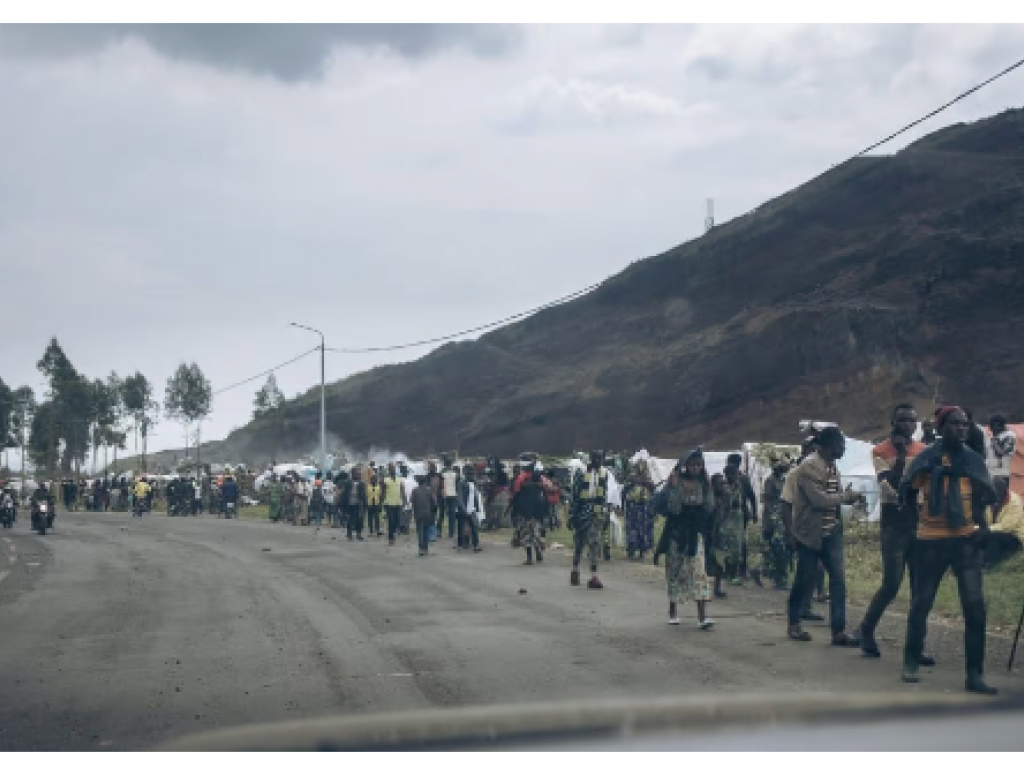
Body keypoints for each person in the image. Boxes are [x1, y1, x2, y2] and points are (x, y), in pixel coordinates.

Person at [899, 406, 997, 694]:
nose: (961, 429)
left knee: (975, 608)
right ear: (941, 428)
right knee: (921, 603)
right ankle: (911, 661)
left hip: (965, 539)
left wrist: (984, 527)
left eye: (964, 424)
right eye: (955, 424)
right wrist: (913, 528)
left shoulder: (973, 460)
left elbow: (982, 496)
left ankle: (974, 675)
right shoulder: (925, 458)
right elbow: (907, 492)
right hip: (930, 541)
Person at [858, 404, 933, 663]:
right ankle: (866, 629)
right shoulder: (880, 451)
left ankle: (916, 647)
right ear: (893, 422)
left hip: (919, 523)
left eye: (912, 420)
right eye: (903, 420)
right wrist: (901, 455)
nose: (908, 425)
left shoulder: (923, 450)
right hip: (894, 524)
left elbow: (926, 486)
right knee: (891, 584)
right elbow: (890, 485)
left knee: (919, 588)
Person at [786, 426, 861, 647]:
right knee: (803, 579)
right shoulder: (808, 467)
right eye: (841, 444)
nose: (843, 448)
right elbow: (818, 500)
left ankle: (839, 631)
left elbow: (831, 498)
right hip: (810, 534)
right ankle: (794, 623)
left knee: (838, 581)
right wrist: (846, 497)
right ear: (828, 446)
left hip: (831, 531)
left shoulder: (832, 466)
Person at [652, 448, 715, 629]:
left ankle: (702, 617)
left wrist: (709, 488)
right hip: (677, 534)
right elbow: (674, 509)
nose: (696, 468)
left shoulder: (703, 484)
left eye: (699, 464)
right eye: (692, 464)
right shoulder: (676, 483)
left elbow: (709, 508)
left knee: (699, 573)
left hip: (695, 534)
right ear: (685, 465)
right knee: (674, 571)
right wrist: (674, 488)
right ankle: (673, 610)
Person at [568, 451, 609, 589]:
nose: (598, 461)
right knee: (579, 543)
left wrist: (604, 513)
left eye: (600, 459)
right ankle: (575, 569)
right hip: (581, 512)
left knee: (594, 543)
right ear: (590, 459)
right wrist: (572, 516)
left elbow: (604, 495)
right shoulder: (581, 473)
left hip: (596, 513)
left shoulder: (604, 474)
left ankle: (593, 576)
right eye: (596, 459)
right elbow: (574, 496)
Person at [752, 458, 791, 590]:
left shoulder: (784, 481)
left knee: (780, 551)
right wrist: (774, 518)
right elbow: (767, 501)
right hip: (773, 519)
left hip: (782, 518)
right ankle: (775, 577)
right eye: (782, 468)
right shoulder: (770, 480)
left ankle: (772, 576)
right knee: (776, 549)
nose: (784, 470)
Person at [712, 465, 746, 594]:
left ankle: (731, 575)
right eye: (736, 474)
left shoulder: (738, 486)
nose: (738, 476)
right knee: (721, 555)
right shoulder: (723, 488)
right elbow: (726, 504)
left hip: (735, 523)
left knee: (735, 551)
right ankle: (719, 584)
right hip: (723, 525)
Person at [726, 453, 759, 579]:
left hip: (739, 513)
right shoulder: (737, 477)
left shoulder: (740, 478)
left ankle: (738, 568)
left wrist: (754, 513)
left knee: (738, 540)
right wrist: (754, 512)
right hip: (737, 512)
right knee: (738, 540)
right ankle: (739, 568)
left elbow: (751, 496)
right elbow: (752, 497)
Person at [512, 465, 548, 564]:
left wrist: (515, 512)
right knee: (535, 534)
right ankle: (538, 554)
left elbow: (516, 496)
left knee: (527, 535)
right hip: (538, 514)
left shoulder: (522, 482)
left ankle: (529, 558)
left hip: (526, 514)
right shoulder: (541, 484)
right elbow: (546, 499)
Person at [985, 482, 1024, 568]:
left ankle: (989, 563)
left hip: (1015, 536)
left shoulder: (1014, 502)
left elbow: (1006, 527)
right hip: (994, 531)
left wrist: (985, 530)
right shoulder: (988, 498)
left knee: (994, 536)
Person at [622, 459, 656, 560]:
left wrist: (646, 483)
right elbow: (624, 490)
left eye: (643, 466)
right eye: (639, 466)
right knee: (632, 528)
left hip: (644, 507)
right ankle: (631, 550)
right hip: (632, 506)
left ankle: (642, 551)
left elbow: (653, 490)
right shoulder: (631, 477)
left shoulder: (648, 478)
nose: (641, 468)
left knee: (644, 529)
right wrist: (622, 504)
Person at [987, 414, 1017, 501]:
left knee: (1000, 500)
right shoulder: (995, 436)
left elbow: (1001, 453)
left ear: (999, 425)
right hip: (991, 472)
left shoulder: (1009, 436)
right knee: (991, 499)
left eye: (993, 426)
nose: (991, 429)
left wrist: (995, 441)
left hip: (1001, 473)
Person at [457, 466, 484, 552]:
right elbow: (460, 497)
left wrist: (478, 508)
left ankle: (476, 545)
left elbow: (476, 496)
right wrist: (463, 509)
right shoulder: (462, 483)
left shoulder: (473, 483)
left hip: (472, 509)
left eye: (473, 474)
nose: (473, 476)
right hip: (464, 509)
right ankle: (460, 544)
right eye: (471, 474)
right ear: (466, 475)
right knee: (462, 527)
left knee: (474, 527)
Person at [383, 463, 408, 546]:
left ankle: (393, 533)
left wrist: (405, 500)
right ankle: (391, 538)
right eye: (391, 469)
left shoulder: (399, 479)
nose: (392, 470)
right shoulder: (386, 480)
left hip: (398, 503)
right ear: (389, 470)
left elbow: (402, 490)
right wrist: (382, 502)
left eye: (393, 468)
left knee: (396, 521)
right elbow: (383, 492)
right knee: (391, 520)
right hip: (388, 503)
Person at [411, 475, 434, 556]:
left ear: (418, 482)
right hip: (427, 513)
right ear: (424, 482)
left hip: (418, 513)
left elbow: (412, 501)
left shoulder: (415, 490)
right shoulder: (429, 490)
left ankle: (420, 549)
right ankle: (425, 548)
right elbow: (433, 502)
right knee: (425, 531)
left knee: (420, 531)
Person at [341, 469, 367, 540]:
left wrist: (365, 504)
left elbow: (364, 495)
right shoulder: (348, 483)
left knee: (359, 519)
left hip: (358, 504)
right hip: (349, 504)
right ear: (352, 474)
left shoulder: (362, 484)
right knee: (350, 519)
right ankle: (349, 534)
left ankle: (358, 534)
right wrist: (343, 505)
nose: (357, 475)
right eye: (356, 474)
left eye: (358, 474)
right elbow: (344, 494)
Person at [440, 458, 461, 540]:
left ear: (445, 464)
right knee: (452, 514)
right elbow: (457, 485)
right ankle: (452, 532)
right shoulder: (455, 474)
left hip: (445, 495)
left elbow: (442, 485)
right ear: (451, 464)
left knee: (446, 513)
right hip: (453, 495)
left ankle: (443, 531)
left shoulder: (442, 473)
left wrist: (443, 494)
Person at [366, 472, 384, 538]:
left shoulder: (379, 487)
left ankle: (377, 531)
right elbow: (366, 495)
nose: (373, 480)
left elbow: (380, 496)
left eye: (374, 479)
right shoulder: (368, 487)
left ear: (376, 480)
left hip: (376, 504)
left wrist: (380, 504)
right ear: (370, 480)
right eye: (372, 479)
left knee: (377, 518)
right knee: (370, 519)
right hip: (370, 504)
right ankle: (371, 532)